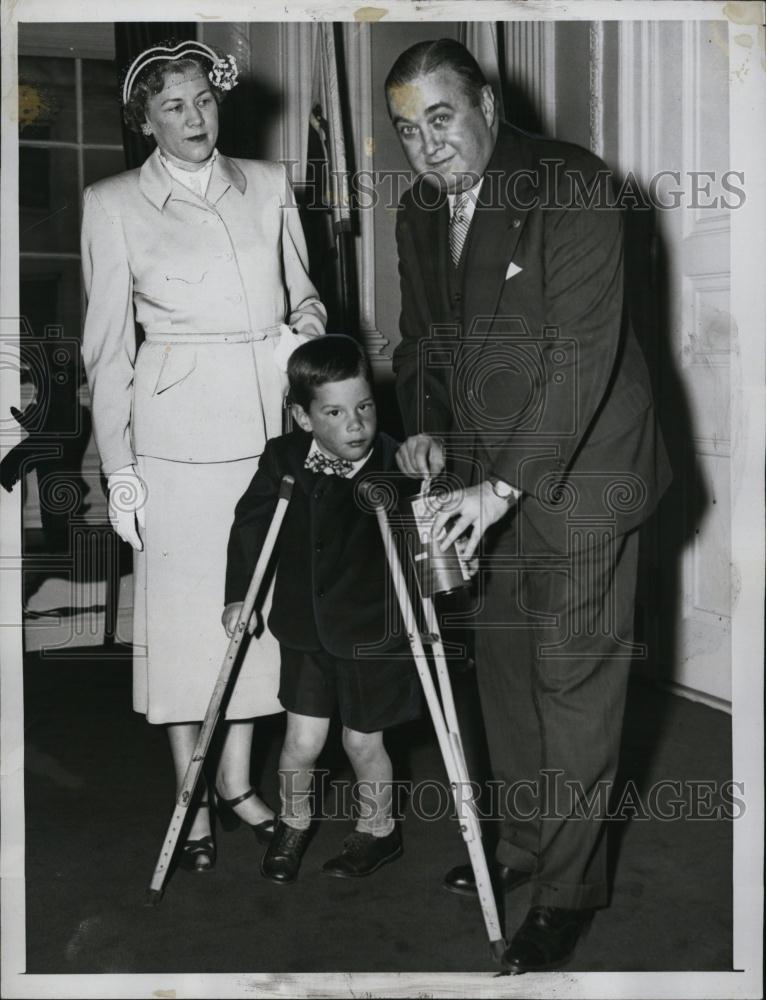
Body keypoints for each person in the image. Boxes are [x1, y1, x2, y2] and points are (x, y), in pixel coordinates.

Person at [385, 39, 672, 973]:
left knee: (572, 682)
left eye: (440, 118)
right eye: (405, 130)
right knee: (505, 672)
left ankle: (565, 892)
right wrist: (425, 427)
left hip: (583, 471)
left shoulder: (575, 185)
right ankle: (518, 847)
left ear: (487, 104)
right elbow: (422, 336)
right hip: (475, 475)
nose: (427, 148)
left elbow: (582, 353)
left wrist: (502, 486)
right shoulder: (421, 208)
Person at [81, 39, 326, 872]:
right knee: (189, 624)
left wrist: (313, 330)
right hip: (174, 443)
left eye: (202, 101)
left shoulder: (267, 186)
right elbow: (107, 352)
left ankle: (237, 783)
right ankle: (189, 794)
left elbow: (304, 293)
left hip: (263, 426)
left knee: (257, 614)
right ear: (144, 122)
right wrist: (119, 469)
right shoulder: (112, 203)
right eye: (172, 107)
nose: (194, 118)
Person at [222, 335, 420, 883]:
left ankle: (379, 830)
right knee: (301, 743)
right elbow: (250, 528)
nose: (356, 424)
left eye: (365, 407)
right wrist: (241, 595)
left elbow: (426, 531)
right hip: (305, 629)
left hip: (372, 631)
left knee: (362, 742)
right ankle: (294, 820)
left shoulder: (391, 462)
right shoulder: (282, 459)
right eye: (334, 412)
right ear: (303, 417)